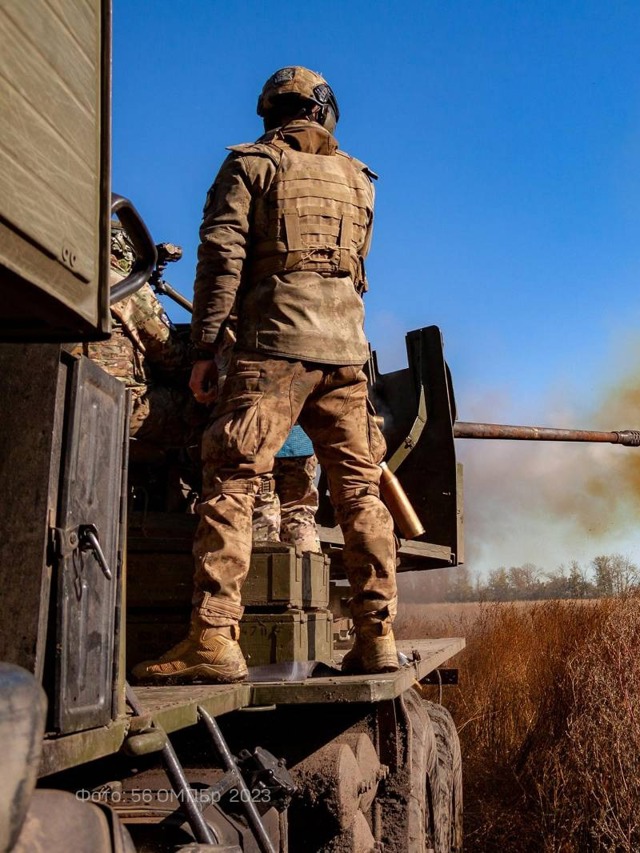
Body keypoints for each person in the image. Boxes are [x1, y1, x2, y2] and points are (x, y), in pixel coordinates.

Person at [133, 66, 399, 684]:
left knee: (231, 477)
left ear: (270, 112)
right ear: (325, 112)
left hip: (274, 345)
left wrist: (203, 348)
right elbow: (355, 270)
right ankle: (377, 637)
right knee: (360, 492)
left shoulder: (250, 165)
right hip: (346, 352)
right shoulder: (361, 180)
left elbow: (222, 256)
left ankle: (214, 640)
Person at [74, 226, 198, 456]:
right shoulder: (124, 286)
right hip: (111, 404)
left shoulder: (54, 276)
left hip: (61, 392)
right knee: (201, 411)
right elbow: (172, 359)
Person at [253, 425, 322, 554]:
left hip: (260, 441)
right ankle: (309, 571)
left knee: (262, 509)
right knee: (300, 512)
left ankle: (267, 569)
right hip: (301, 441)